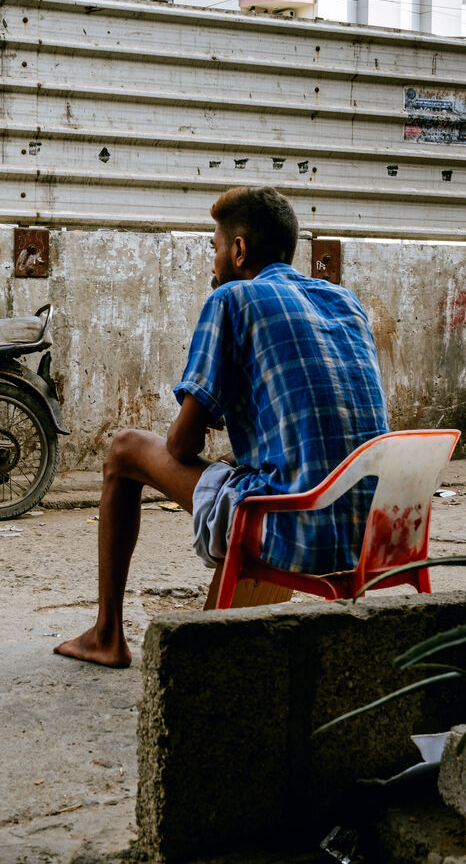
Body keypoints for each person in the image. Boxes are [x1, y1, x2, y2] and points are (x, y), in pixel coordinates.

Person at [54, 187, 388, 668]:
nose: (212, 261)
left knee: (125, 450)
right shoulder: (344, 301)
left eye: (214, 247)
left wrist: (203, 419)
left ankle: (106, 635)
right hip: (376, 533)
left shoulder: (232, 298)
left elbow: (181, 445)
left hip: (293, 527)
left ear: (239, 250)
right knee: (242, 465)